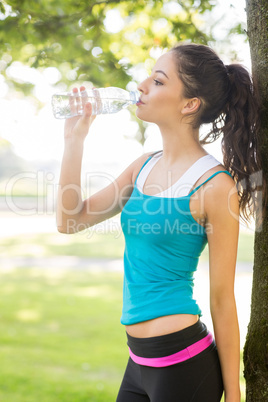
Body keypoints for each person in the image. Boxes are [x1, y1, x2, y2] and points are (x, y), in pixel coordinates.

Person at [57, 43, 263, 402]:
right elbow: (69, 221)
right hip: (137, 362)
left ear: (189, 104)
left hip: (183, 365)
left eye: (157, 81)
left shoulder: (215, 185)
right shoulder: (142, 166)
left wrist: (234, 394)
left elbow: (222, 299)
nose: (141, 86)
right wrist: (74, 141)